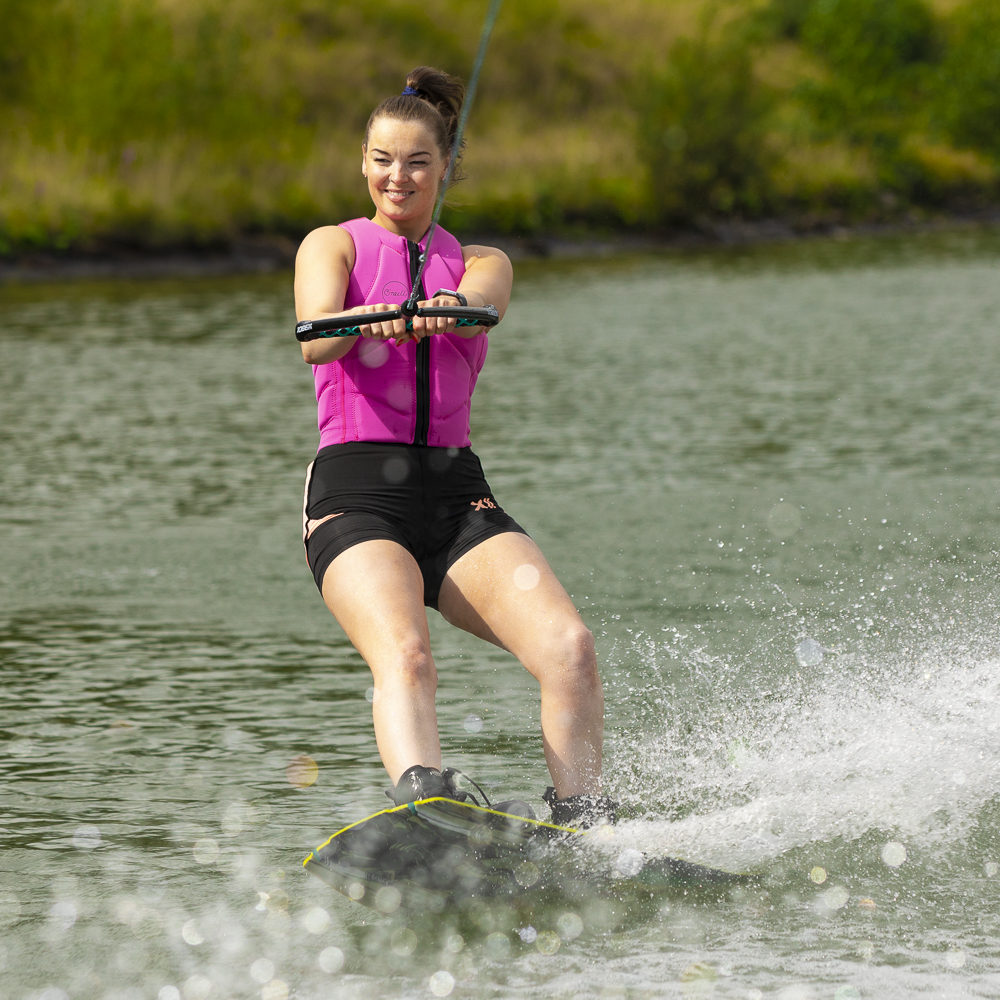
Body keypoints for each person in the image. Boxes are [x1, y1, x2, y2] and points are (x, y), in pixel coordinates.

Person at [294, 66, 614, 826]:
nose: (395, 177)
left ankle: (587, 823)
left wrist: (448, 308)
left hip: (457, 497)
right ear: (363, 162)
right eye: (380, 159)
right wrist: (364, 319)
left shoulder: (482, 263)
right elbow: (313, 335)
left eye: (415, 161)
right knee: (406, 657)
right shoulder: (330, 245)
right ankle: (424, 808)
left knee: (570, 647)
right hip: (356, 496)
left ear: (445, 167)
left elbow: (481, 307)